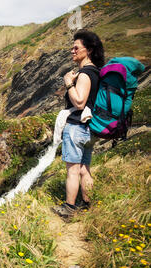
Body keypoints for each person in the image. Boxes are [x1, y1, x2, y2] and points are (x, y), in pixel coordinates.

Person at [52, 29, 104, 221]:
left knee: (73, 169)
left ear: (88, 50)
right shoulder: (96, 72)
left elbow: (80, 102)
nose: (72, 51)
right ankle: (88, 204)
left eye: (76, 48)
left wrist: (68, 84)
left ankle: (69, 208)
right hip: (90, 128)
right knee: (84, 168)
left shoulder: (85, 74)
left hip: (77, 127)